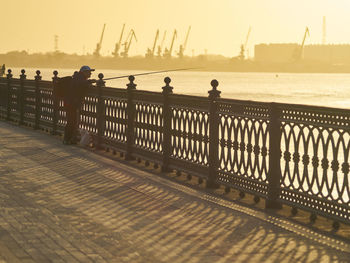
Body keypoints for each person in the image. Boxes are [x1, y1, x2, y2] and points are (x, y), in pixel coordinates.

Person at [63, 65, 96, 144]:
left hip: (71, 102)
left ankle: (70, 139)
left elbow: (82, 85)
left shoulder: (78, 77)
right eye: (89, 72)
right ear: (84, 72)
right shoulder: (79, 78)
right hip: (71, 103)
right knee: (71, 121)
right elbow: (80, 84)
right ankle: (67, 139)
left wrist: (89, 82)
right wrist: (90, 82)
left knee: (73, 121)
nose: (90, 74)